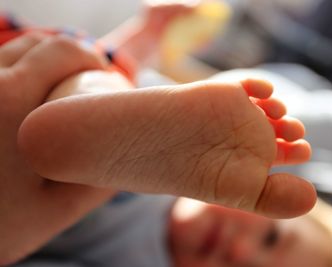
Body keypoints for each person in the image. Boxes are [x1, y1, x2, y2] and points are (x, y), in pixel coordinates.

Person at [0, 1, 314, 265]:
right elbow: (103, 60)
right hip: (51, 72)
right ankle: (83, 121)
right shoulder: (199, 145)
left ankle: (82, 124)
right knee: (103, 80)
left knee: (100, 80)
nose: (239, 251)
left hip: (26, 103)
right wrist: (148, 34)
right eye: (270, 238)